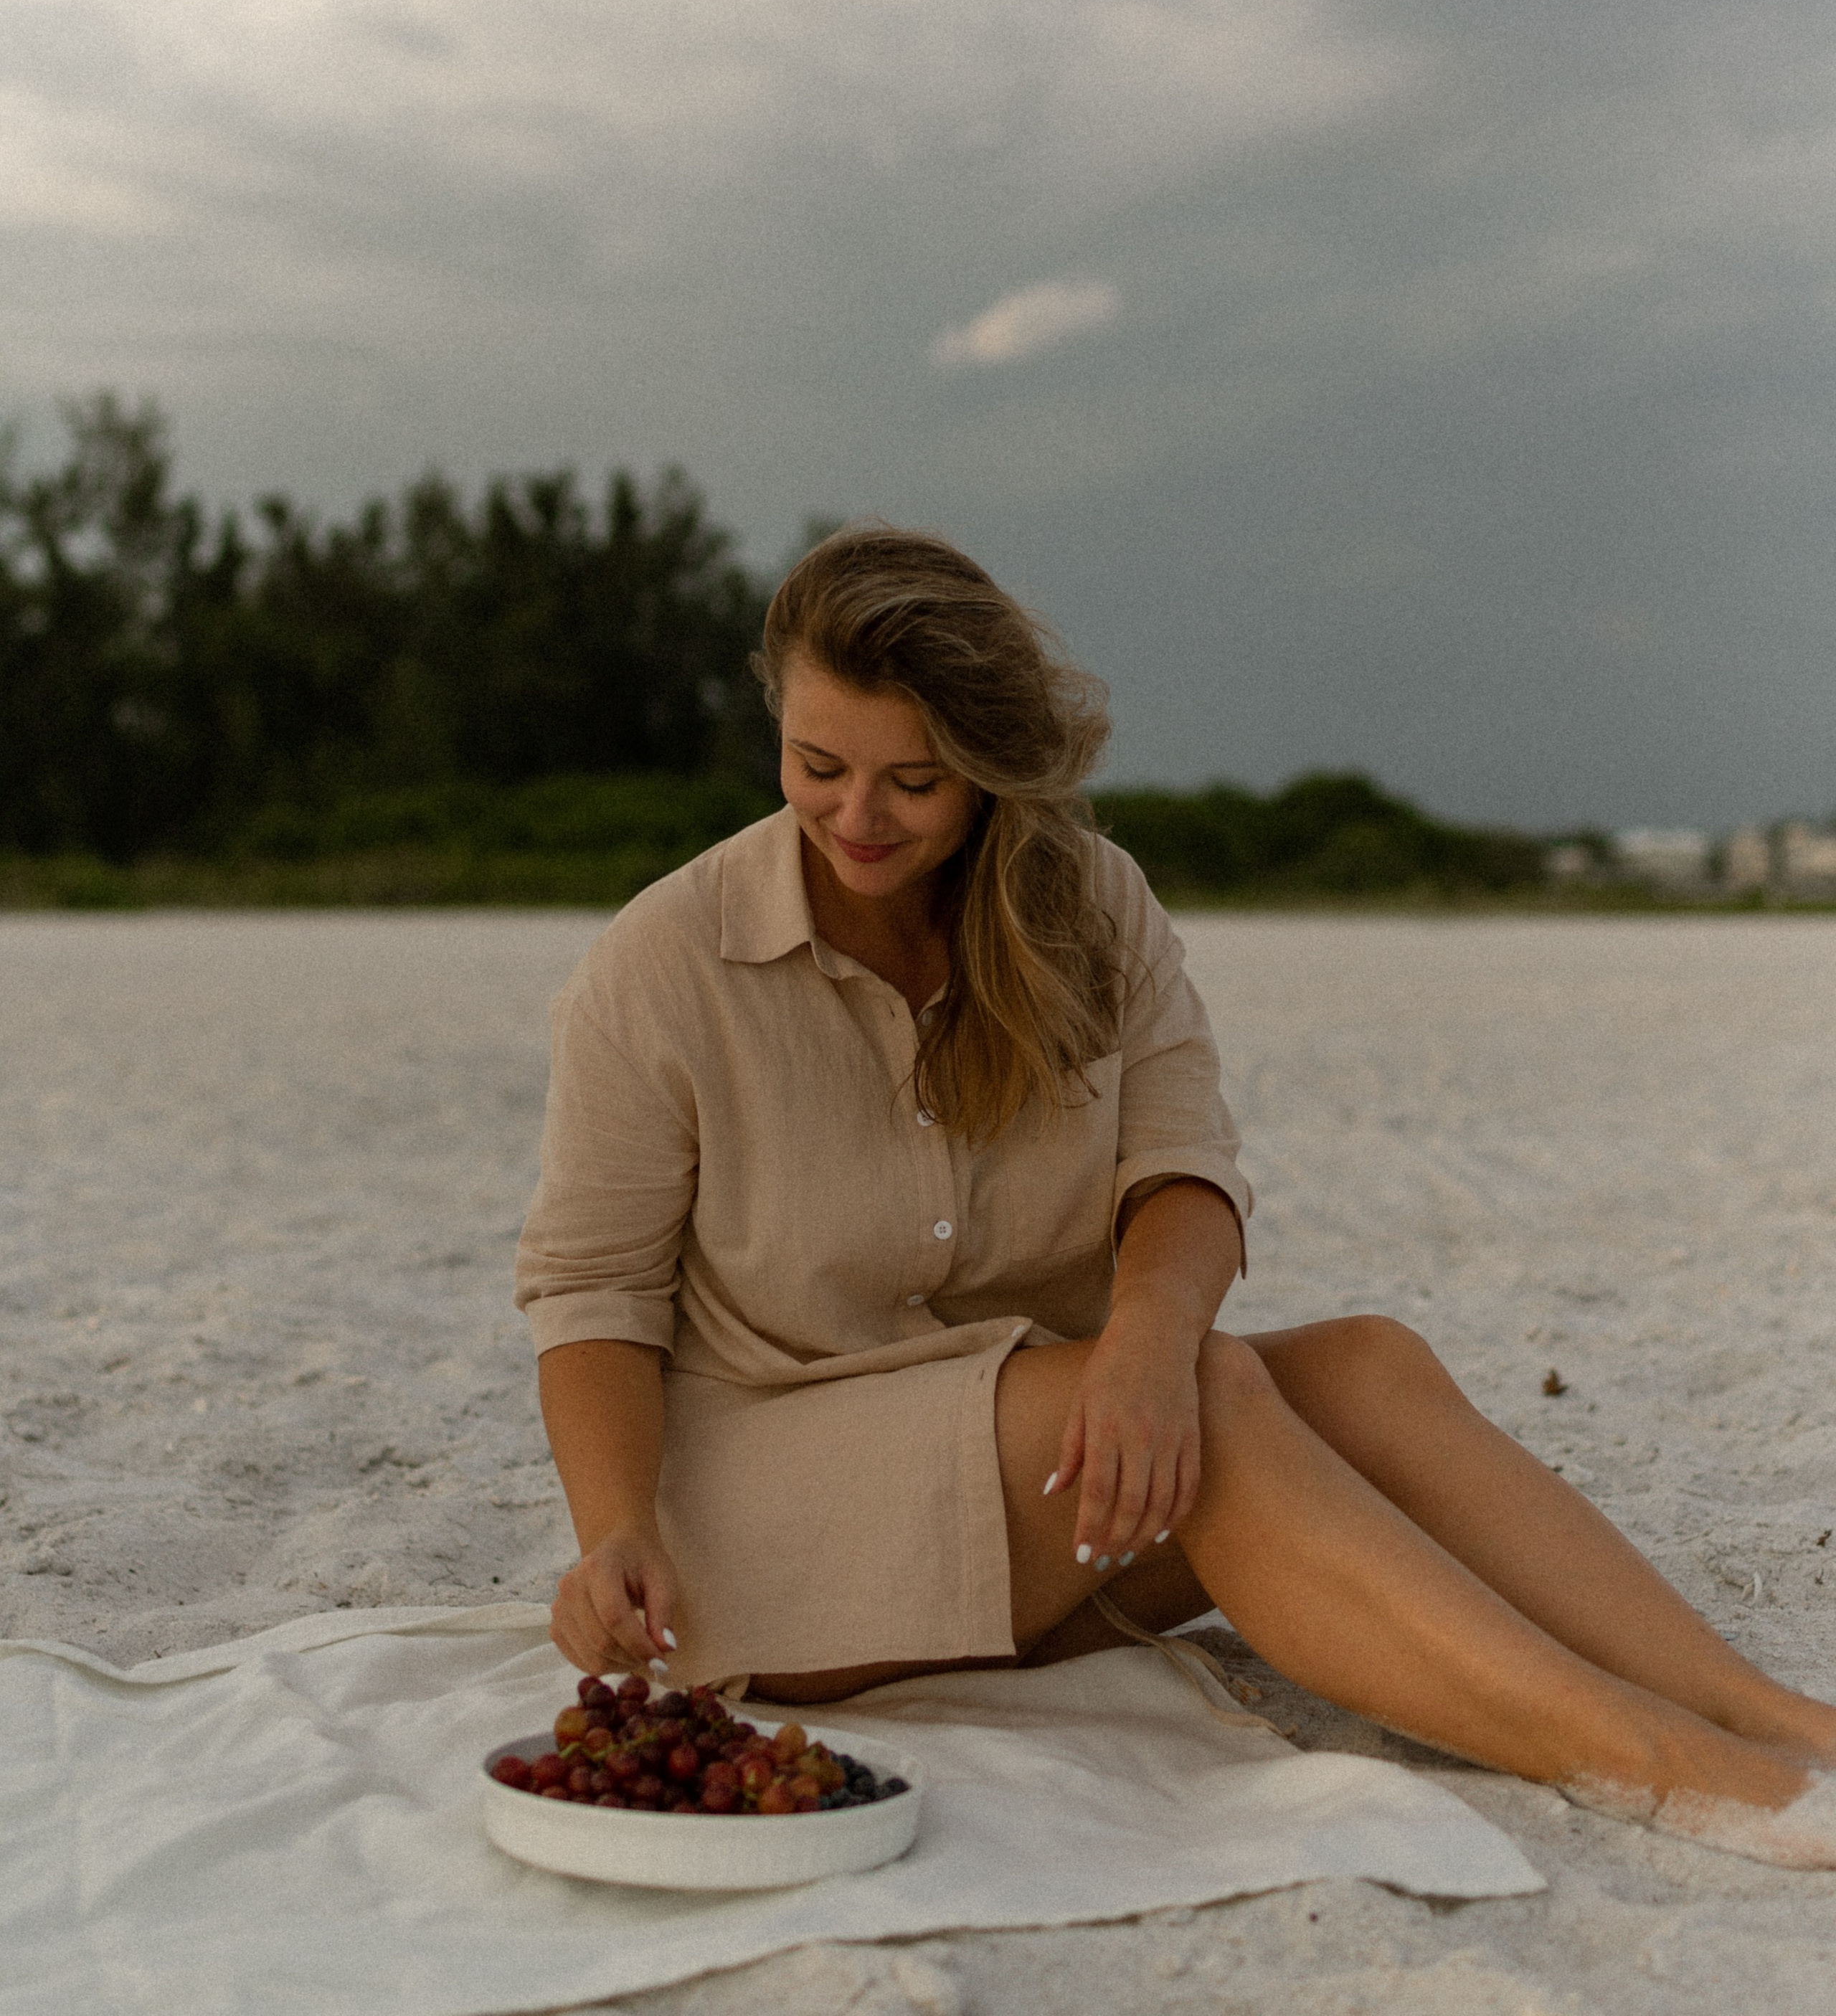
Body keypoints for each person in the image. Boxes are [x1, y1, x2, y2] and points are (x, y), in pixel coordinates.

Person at [516, 525, 1836, 1868]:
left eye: (915, 780)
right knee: (1215, 1395)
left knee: (1368, 1366)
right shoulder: (664, 965)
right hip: (762, 1518)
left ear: (989, 771)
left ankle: (1765, 1714)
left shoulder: (1091, 904)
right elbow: (591, 1293)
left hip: (1047, 1472)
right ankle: (1661, 1763)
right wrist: (615, 1527)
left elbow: (1183, 1168)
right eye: (818, 766)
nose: (858, 816)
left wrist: (1145, 1348)